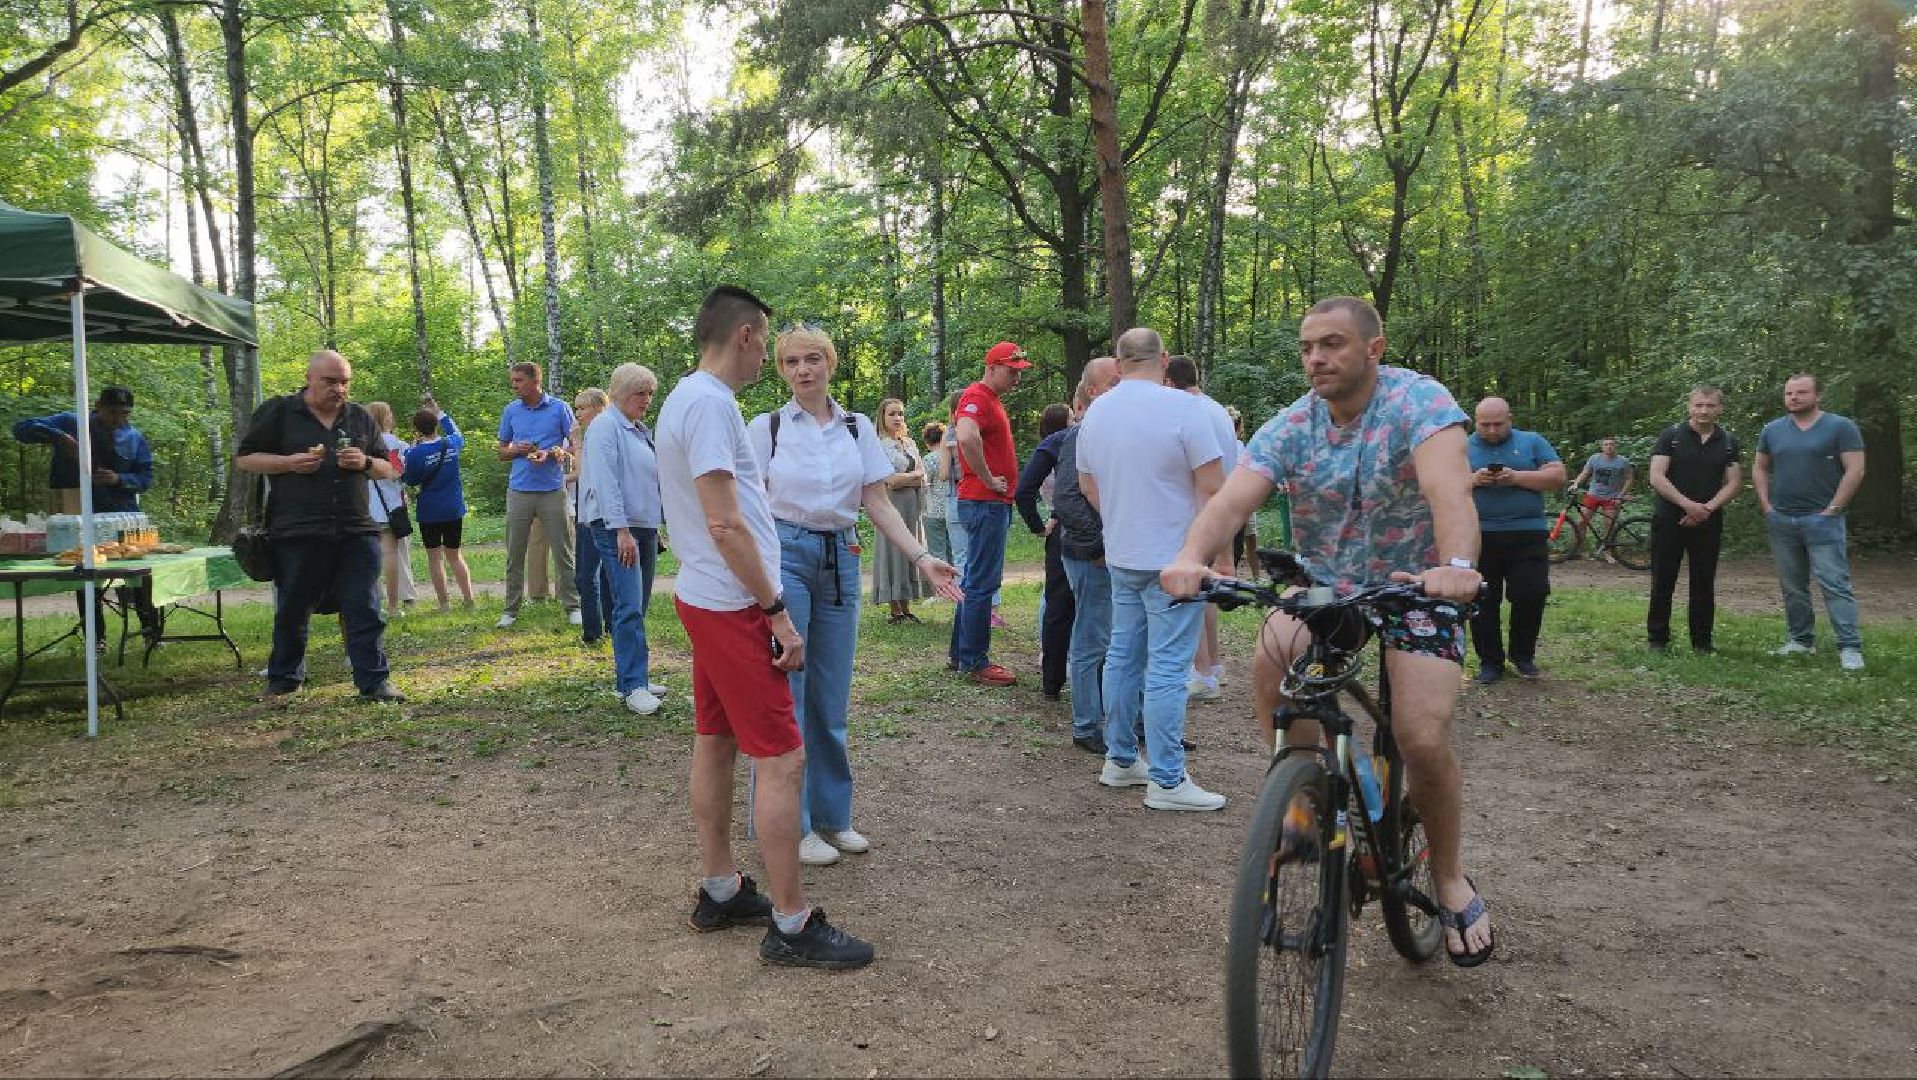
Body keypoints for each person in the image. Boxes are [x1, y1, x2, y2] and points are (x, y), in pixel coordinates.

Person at [1159, 295, 1493, 966]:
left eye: (1333, 343)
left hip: (1414, 584)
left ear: (1372, 348)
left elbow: (1447, 493)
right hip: (1329, 585)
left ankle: (1450, 878)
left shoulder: (1418, 405)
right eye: (1309, 345)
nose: (1317, 357)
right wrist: (1190, 557)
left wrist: (1455, 566)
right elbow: (1227, 500)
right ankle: (1310, 800)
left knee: (1419, 736)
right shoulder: (1292, 425)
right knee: (1272, 652)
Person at [658, 284, 874, 968]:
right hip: (733, 603)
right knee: (782, 757)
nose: (771, 366)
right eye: (769, 348)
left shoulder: (684, 398)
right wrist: (776, 611)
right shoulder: (713, 406)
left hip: (704, 595)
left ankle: (721, 888)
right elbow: (724, 523)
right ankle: (790, 922)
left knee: (715, 739)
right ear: (749, 335)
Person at [747, 329, 960, 868]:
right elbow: (747, 508)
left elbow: (877, 502)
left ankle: (832, 817)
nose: (803, 369)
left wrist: (920, 557)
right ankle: (787, 826)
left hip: (841, 557)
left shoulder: (856, 427)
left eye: (813, 358)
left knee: (831, 696)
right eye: (791, 361)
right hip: (785, 556)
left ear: (831, 364)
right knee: (786, 694)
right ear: (781, 369)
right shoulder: (765, 429)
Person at [1077, 328, 1228, 812]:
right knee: (1165, 665)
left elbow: (1086, 483)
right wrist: (1208, 550)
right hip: (1176, 559)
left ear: (1118, 365)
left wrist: (1121, 521)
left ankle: (1120, 760)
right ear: (1164, 360)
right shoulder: (1185, 409)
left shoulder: (1097, 410)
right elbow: (1213, 486)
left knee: (1123, 654)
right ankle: (1166, 778)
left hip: (1123, 552)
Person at [235, 350, 404, 703]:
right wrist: (288, 463)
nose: (338, 389)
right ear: (309, 378)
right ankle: (284, 680)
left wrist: (365, 461)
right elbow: (245, 459)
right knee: (294, 608)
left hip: (356, 529)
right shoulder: (280, 412)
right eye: (330, 381)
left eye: (344, 382)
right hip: (297, 530)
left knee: (364, 608)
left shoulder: (359, 418)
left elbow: (389, 469)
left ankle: (374, 682)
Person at [10, 385, 160, 642]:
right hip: (78, 514)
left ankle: (150, 633)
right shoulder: (71, 422)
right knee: (86, 575)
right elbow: (20, 429)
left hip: (121, 515)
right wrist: (57, 436)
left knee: (138, 575)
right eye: (112, 412)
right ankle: (96, 639)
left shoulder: (135, 437)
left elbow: (145, 478)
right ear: (97, 405)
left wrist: (119, 478)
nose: (118, 419)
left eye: (124, 413)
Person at [1753, 373, 1867, 671]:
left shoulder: (1841, 427)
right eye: (1789, 393)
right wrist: (1767, 505)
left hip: (1823, 520)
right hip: (1782, 519)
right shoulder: (1772, 430)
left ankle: (1850, 647)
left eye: (1801, 393)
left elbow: (1855, 470)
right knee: (1793, 585)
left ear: (1818, 396)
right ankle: (1801, 640)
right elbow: (1760, 467)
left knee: (1835, 584)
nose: (1794, 397)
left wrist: (1833, 509)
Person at [580, 365, 668, 714]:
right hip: (617, 528)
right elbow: (606, 482)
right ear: (619, 392)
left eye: (650, 393)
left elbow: (646, 482)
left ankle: (634, 678)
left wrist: (653, 524)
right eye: (640, 393)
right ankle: (632, 685)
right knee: (628, 604)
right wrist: (621, 530)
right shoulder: (605, 426)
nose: (646, 400)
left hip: (641, 527)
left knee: (638, 603)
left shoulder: (637, 430)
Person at [1465, 397, 1565, 684]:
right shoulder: (1463, 445)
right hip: (1478, 534)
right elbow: (1443, 482)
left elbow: (1557, 476)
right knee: (1482, 600)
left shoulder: (1531, 441)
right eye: (1486, 425)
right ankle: (1490, 663)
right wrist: (1474, 480)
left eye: (1499, 424)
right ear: (1476, 421)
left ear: (1510, 418)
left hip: (1527, 532)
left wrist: (1515, 477)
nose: (1493, 430)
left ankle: (1522, 656)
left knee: (1531, 594)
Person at [949, 341, 1028, 686]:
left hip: (987, 502)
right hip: (985, 502)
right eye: (1012, 372)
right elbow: (966, 436)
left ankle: (960, 654)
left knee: (973, 580)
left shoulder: (987, 399)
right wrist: (986, 477)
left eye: (1019, 373)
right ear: (992, 367)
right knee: (982, 582)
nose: (1016, 379)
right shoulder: (977, 397)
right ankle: (974, 660)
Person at [1051, 356, 1119, 751]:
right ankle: (1086, 726)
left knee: (1114, 641)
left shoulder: (1113, 429)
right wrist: (1098, 545)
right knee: (1091, 641)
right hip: (1090, 555)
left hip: (1109, 554)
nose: (1123, 386)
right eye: (1114, 381)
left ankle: (1130, 720)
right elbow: (1067, 498)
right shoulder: (1082, 434)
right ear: (1092, 392)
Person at [1164, 355, 1238, 702]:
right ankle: (1214, 666)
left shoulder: (1187, 410)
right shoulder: (1216, 410)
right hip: (1221, 510)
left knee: (1185, 589)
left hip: (1196, 513)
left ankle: (1201, 671)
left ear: (1170, 382)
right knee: (1203, 590)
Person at [1646, 387, 1740, 654]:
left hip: (1708, 522)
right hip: (1669, 520)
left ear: (1719, 409)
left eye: (1710, 406)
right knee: (1663, 580)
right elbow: (1657, 476)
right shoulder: (1671, 436)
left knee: (1703, 583)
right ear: (1690, 407)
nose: (1704, 410)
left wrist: (1706, 509)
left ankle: (1702, 642)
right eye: (1699, 405)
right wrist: (1687, 505)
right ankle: (1657, 639)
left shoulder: (1728, 441)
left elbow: (1733, 483)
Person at [496, 361, 578, 628]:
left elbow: (574, 449)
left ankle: (572, 605)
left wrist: (555, 453)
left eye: (519, 380)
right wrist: (516, 450)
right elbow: (501, 452)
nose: (514, 385)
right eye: (513, 380)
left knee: (563, 550)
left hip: (553, 490)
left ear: (535, 381)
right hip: (519, 490)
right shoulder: (511, 410)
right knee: (515, 552)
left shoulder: (559, 408)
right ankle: (510, 609)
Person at [1014, 403, 1076, 700]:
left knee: (1057, 606)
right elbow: (1023, 491)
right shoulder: (1069, 440)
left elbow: (1024, 490)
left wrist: (1038, 526)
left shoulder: (1050, 445)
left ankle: (1052, 682)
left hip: (1061, 528)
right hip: (1100, 528)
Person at [401, 396, 474, 611]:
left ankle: (444, 604)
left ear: (417, 429)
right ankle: (469, 599)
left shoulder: (416, 453)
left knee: (435, 558)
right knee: (455, 554)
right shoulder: (451, 444)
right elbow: (456, 432)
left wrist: (410, 451)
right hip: (453, 508)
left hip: (430, 511)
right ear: (435, 426)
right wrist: (440, 413)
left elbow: (410, 480)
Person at [871, 397, 929, 624]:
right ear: (882, 418)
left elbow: (924, 476)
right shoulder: (879, 445)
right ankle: (894, 608)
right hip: (890, 504)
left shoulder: (910, 443)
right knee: (893, 549)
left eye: (900, 414)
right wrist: (912, 477)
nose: (897, 418)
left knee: (911, 548)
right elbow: (890, 480)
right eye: (892, 414)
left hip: (912, 505)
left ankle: (906, 606)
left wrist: (910, 478)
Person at [568, 388, 617, 644]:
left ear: (598, 407)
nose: (578, 414)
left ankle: (595, 633)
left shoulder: (600, 433)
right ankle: (605, 629)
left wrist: (576, 443)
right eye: (577, 408)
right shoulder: (601, 432)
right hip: (591, 512)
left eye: (582, 408)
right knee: (598, 575)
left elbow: (584, 473)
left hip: (595, 514)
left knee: (588, 575)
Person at [365, 401, 420, 614]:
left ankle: (373, 600)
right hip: (391, 504)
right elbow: (402, 471)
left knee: (369, 555)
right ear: (383, 418)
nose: (391, 416)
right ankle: (394, 605)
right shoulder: (394, 443)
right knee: (391, 554)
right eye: (388, 413)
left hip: (367, 504)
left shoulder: (364, 444)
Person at [1569, 436, 1635, 544]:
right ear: (1602, 447)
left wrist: (1621, 495)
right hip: (1593, 495)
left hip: (1612, 496)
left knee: (1609, 525)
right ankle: (1577, 550)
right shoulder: (1594, 458)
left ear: (1616, 446)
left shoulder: (1623, 461)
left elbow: (1629, 479)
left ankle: (1609, 551)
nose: (1609, 447)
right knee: (1581, 522)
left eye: (1611, 444)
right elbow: (1585, 472)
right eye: (1606, 444)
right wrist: (1576, 484)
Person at [921, 422, 954, 569]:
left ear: (927, 442)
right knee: (952, 551)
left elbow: (923, 485)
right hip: (951, 508)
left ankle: (943, 589)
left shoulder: (928, 460)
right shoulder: (952, 457)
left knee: (937, 553)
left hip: (932, 511)